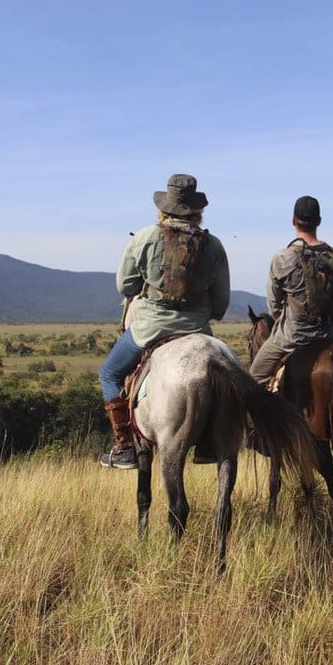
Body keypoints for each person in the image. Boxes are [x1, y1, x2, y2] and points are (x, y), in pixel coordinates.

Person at [97, 174, 231, 469]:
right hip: (198, 330)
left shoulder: (145, 237)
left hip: (150, 328)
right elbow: (221, 301)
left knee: (108, 373)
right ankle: (211, 439)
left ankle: (124, 446)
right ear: (197, 209)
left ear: (165, 206)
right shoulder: (214, 245)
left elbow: (125, 286)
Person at [248, 195, 333, 385]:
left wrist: (284, 319)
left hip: (291, 338)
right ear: (318, 222)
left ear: (293, 221)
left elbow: (274, 306)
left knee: (252, 379)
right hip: (328, 337)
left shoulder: (282, 258)